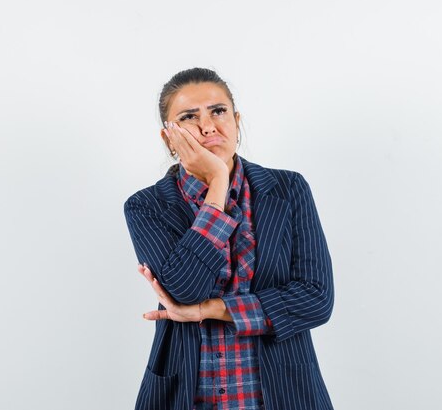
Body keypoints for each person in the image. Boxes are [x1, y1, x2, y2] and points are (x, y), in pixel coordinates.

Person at [123, 67, 335, 410]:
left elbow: (316, 299)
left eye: (218, 111)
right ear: (168, 138)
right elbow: (183, 289)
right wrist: (218, 181)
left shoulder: (288, 188)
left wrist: (211, 309)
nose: (208, 126)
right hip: (188, 395)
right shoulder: (146, 205)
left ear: (236, 120)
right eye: (190, 117)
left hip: (284, 394)